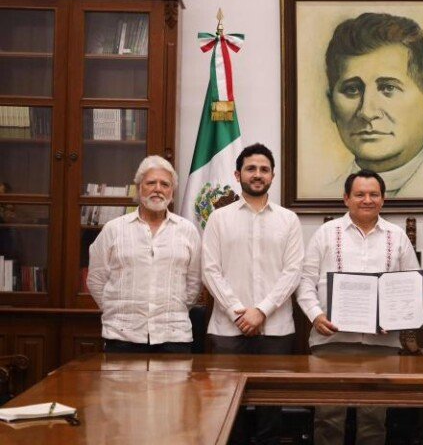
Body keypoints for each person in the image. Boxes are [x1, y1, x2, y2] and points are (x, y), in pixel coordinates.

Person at [296, 169, 420, 445]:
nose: (367, 200)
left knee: (374, 421)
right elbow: (305, 283)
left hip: (382, 344)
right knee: (328, 418)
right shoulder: (326, 234)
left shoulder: (397, 237)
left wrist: (398, 318)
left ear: (383, 199)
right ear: (346, 199)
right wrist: (316, 317)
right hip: (332, 342)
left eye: (374, 194)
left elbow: (410, 288)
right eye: (360, 194)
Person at [202, 143, 304, 445]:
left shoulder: (288, 220)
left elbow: (293, 271)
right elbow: (210, 270)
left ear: (272, 176)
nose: (257, 175)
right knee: (227, 410)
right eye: (251, 168)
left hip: (276, 330)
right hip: (227, 330)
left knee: (270, 412)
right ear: (237, 174)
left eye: (264, 169)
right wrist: (239, 310)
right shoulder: (219, 218)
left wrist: (261, 311)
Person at [324, 12, 423, 198]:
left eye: (388, 88)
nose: (367, 112)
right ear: (331, 105)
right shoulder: (327, 193)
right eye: (352, 90)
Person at [87, 155, 201, 353]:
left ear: (171, 192)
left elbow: (194, 282)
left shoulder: (187, 230)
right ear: (139, 189)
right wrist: (118, 312)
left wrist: (173, 309)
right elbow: (96, 279)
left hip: (173, 336)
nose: (158, 188)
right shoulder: (114, 229)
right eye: (151, 183)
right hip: (122, 336)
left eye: (165, 184)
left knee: (174, 386)